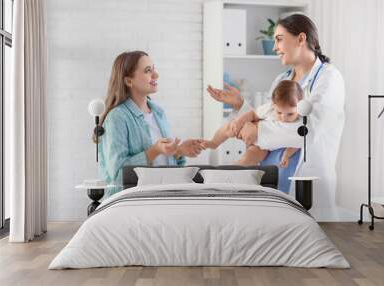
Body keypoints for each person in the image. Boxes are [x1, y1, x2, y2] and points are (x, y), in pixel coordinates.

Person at [207, 14, 346, 219]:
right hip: (274, 179)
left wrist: (258, 131)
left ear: (301, 39)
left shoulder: (328, 79)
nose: (274, 47)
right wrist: (240, 105)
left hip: (306, 184)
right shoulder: (282, 79)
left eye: (279, 39)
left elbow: (311, 130)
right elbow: (270, 117)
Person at [98, 51, 206, 197]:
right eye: (148, 71)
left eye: (154, 69)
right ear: (129, 81)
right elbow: (117, 175)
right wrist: (154, 151)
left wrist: (178, 152)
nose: (156, 75)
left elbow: (165, 167)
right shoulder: (117, 117)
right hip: (131, 201)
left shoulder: (158, 113)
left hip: (161, 197)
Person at [205, 80, 302, 168]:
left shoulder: (300, 126)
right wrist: (240, 122)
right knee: (229, 128)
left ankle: (233, 170)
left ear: (300, 108)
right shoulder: (270, 109)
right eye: (279, 113)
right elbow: (253, 114)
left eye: (290, 114)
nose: (284, 117)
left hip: (263, 149)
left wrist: (286, 155)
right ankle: (214, 143)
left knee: (247, 160)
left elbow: (294, 143)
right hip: (255, 129)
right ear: (273, 104)